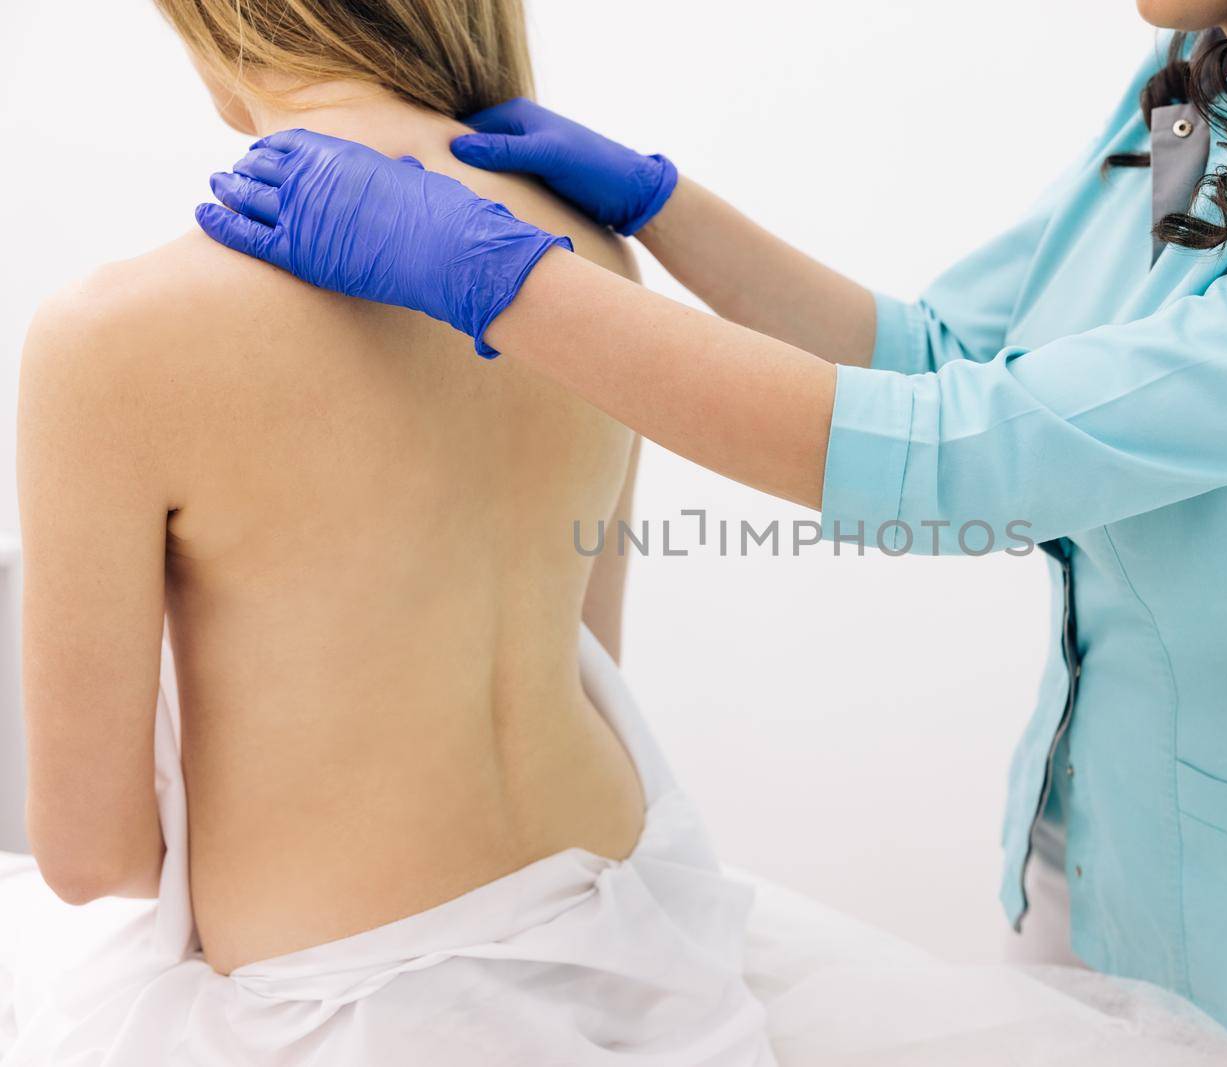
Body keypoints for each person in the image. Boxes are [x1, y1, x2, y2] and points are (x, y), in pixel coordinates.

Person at [196, 0, 1227, 1061]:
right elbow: (952, 355)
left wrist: (509, 284)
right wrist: (668, 213)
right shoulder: (1198, 96)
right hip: (1088, 848)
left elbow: (975, 457)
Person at [9, 0, 773, 1062]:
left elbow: (90, 857)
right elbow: (593, 649)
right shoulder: (593, 258)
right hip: (636, 931)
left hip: (342, 1001)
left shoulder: (111, 338)